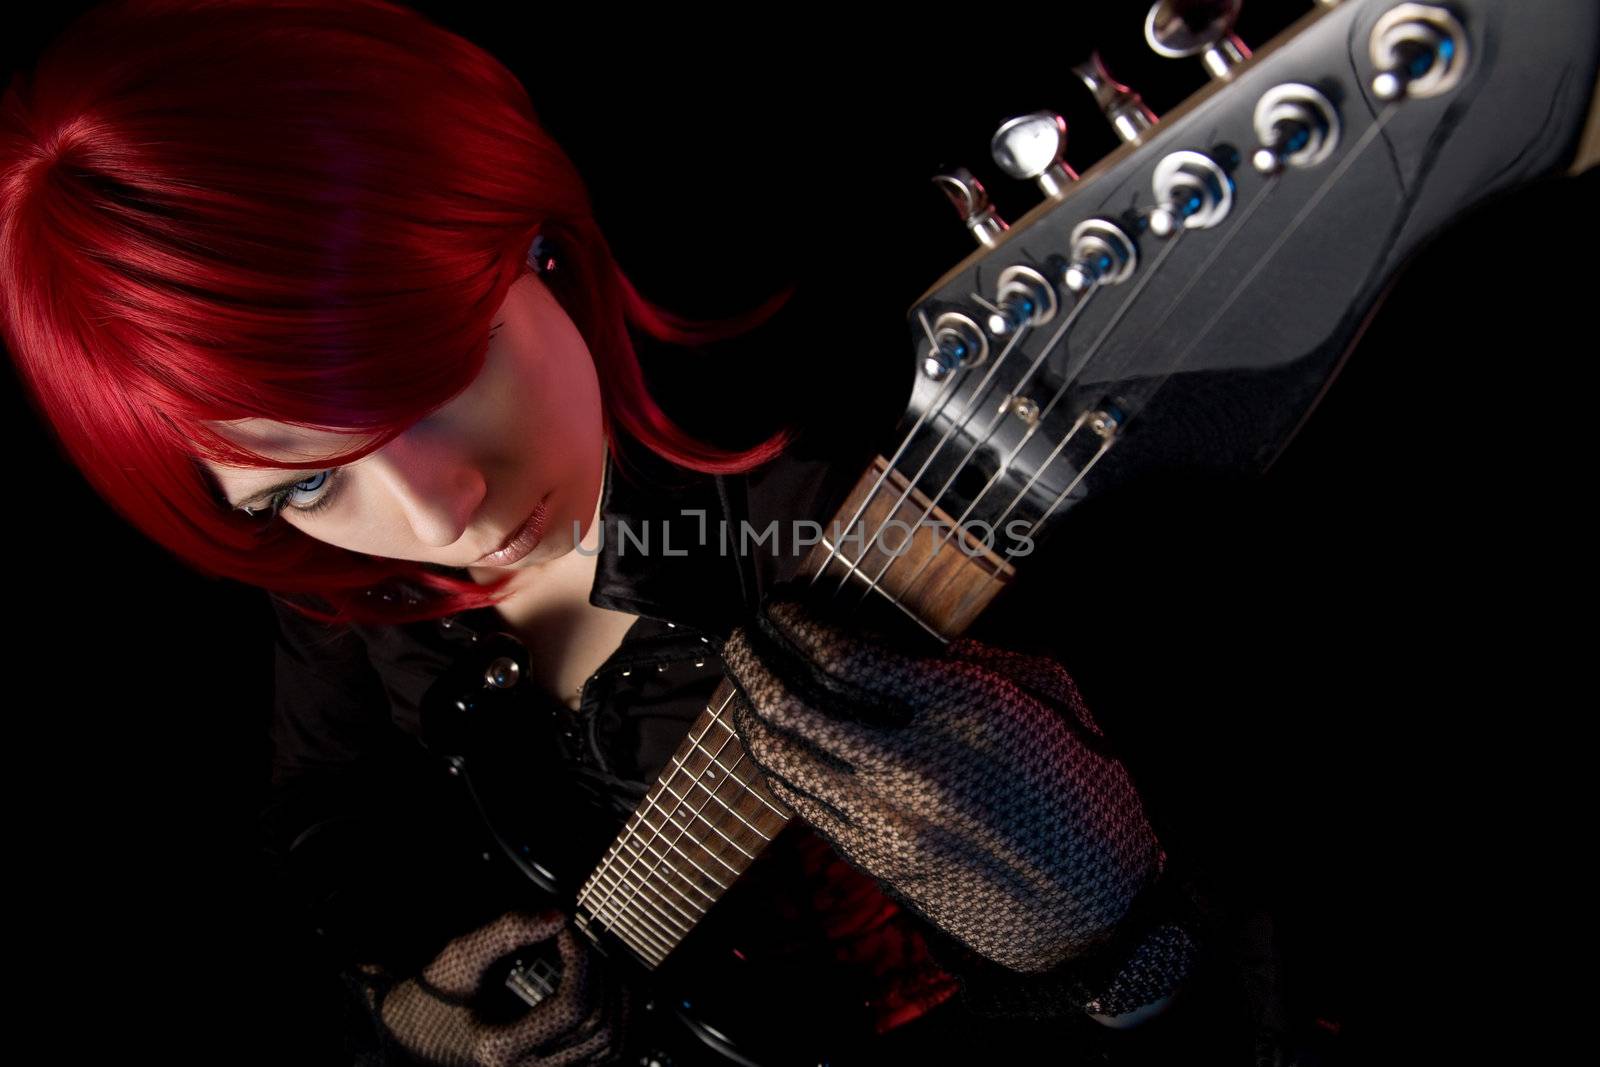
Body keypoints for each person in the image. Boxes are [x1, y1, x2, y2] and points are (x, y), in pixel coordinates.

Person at [0, 2, 1255, 1063]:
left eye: (440, 373)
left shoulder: (884, 495)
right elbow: (323, 803)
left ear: (532, 241)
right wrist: (416, 989)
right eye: (301, 485)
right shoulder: (343, 576)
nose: (438, 512)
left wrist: (1116, 937)